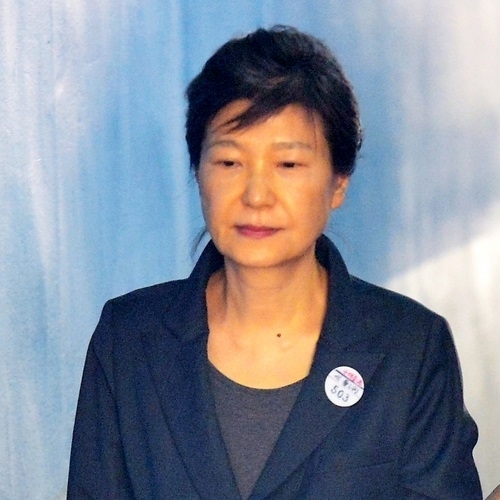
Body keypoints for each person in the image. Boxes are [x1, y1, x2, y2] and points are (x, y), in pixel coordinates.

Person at [67, 26, 482, 499]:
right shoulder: (129, 339)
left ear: (338, 183)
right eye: (229, 163)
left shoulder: (410, 347)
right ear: (198, 171)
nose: (256, 196)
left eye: (288, 165)